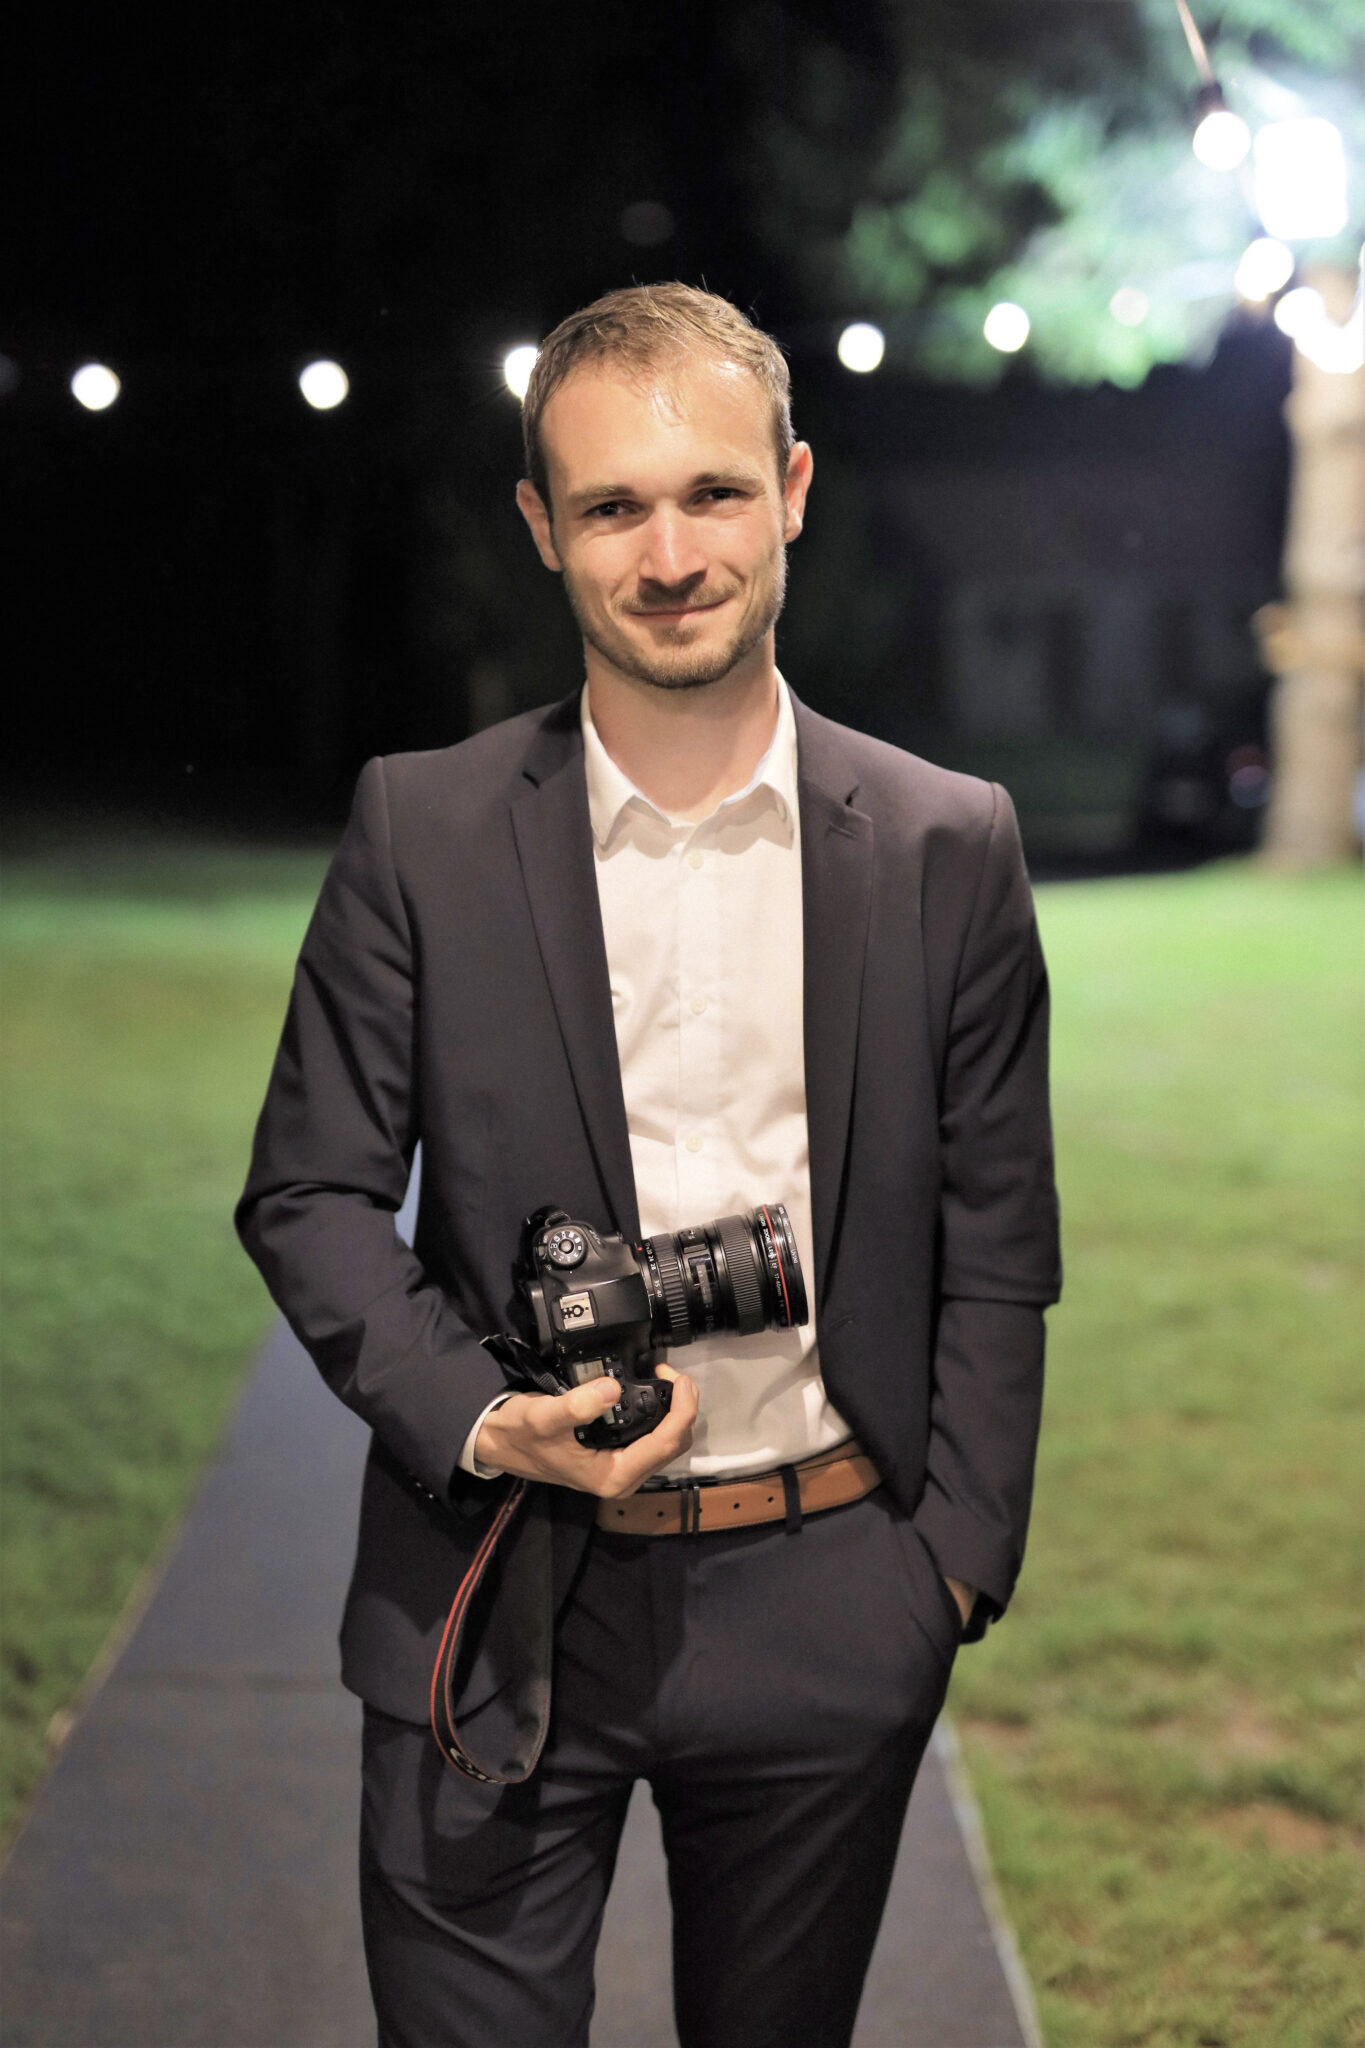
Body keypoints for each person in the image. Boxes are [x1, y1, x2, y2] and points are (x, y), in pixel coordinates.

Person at [237, 283, 1061, 2048]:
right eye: (612, 505)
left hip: (831, 1583)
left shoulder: (944, 842)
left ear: (794, 489)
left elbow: (998, 1228)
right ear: (542, 529)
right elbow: (309, 1191)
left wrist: (949, 1565)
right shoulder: (422, 825)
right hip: (498, 1581)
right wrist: (476, 1411)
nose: (669, 551)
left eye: (713, 493)